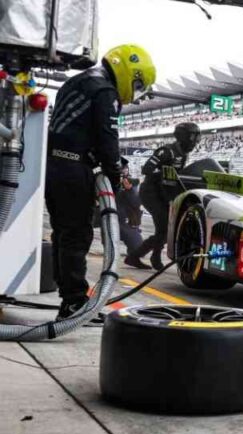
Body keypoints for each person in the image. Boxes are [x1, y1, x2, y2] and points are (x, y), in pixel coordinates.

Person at [45, 44, 156, 319]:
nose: (136, 92)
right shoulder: (105, 91)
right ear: (131, 74)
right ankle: (74, 303)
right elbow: (108, 140)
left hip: (54, 166)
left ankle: (68, 296)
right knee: (77, 235)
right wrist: (116, 177)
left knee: (63, 233)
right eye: (138, 84)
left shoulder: (77, 82)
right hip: (74, 169)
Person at [130, 122, 200, 269]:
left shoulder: (183, 153)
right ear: (183, 136)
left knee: (166, 229)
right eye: (193, 136)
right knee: (163, 227)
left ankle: (138, 257)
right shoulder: (167, 151)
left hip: (164, 194)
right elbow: (147, 169)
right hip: (151, 192)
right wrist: (163, 176)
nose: (195, 140)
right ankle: (150, 258)